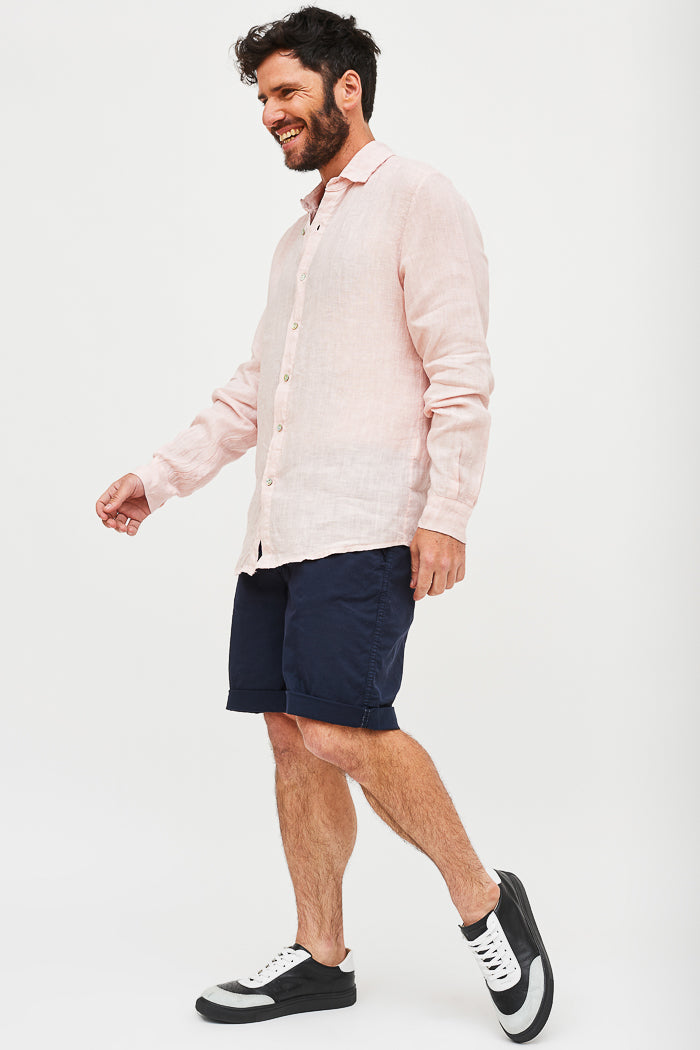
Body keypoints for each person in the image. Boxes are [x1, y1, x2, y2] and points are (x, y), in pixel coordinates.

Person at [95, 6, 553, 1042]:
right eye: (262, 97)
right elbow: (254, 390)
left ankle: (485, 902)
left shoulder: (419, 197)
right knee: (290, 738)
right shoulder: (297, 238)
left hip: (365, 521)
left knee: (345, 727)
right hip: (277, 530)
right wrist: (158, 478)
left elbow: (461, 371)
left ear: (347, 87)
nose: (270, 112)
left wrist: (446, 514)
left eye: (286, 91)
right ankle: (321, 954)